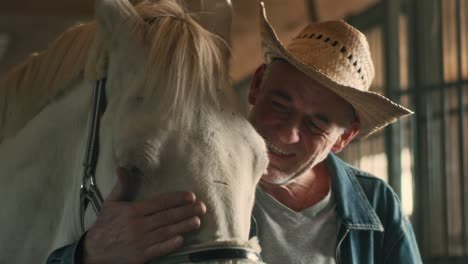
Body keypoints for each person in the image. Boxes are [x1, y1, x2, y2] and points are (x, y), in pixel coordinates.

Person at [47, 3, 422, 264]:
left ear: (344, 138)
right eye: (279, 103)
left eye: (315, 125)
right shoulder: (185, 175)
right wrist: (88, 256)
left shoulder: (377, 207)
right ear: (257, 85)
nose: (288, 133)